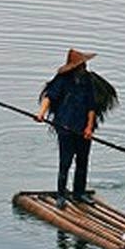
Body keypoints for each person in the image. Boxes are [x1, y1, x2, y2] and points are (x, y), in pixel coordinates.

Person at [37, 48, 113, 207]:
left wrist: (89, 127)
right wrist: (41, 113)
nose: (85, 68)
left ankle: (79, 193)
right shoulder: (62, 80)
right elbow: (49, 97)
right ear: (75, 67)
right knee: (65, 162)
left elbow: (91, 106)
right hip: (65, 127)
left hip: (82, 128)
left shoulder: (88, 81)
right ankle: (61, 195)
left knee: (82, 162)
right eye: (82, 65)